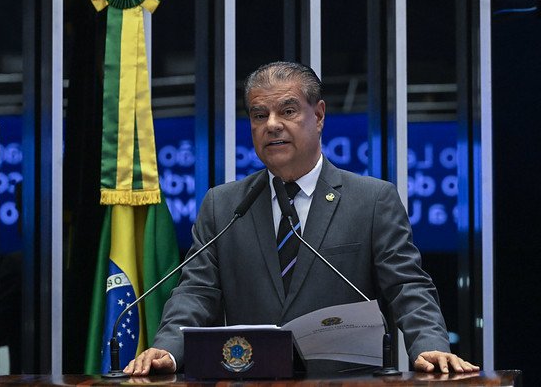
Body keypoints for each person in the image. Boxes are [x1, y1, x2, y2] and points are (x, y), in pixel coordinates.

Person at [123, 61, 479, 376]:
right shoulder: (224, 205)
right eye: (259, 115)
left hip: (344, 382)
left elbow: (407, 286)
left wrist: (430, 345)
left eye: (288, 111)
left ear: (319, 116)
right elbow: (195, 291)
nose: (272, 125)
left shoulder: (371, 200)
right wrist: (168, 349)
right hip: (251, 378)